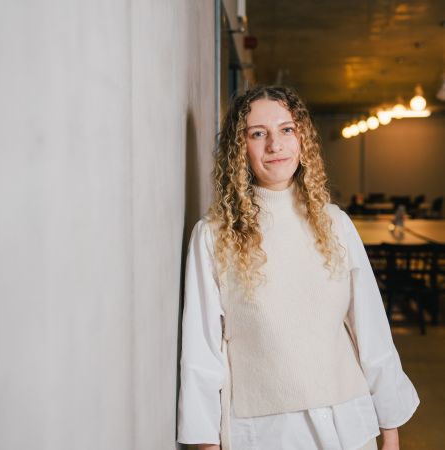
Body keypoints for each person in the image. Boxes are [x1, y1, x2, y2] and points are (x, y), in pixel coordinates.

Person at [176, 86, 420, 450]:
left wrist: (391, 430)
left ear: (302, 138)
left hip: (348, 426)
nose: (275, 145)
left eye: (286, 129)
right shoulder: (213, 236)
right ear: (239, 149)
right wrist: (206, 444)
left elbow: (372, 333)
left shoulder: (335, 224)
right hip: (265, 433)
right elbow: (201, 352)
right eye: (258, 134)